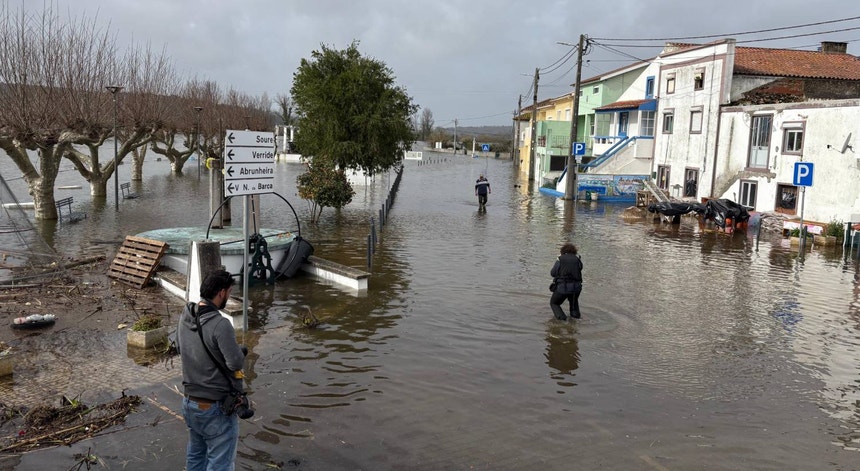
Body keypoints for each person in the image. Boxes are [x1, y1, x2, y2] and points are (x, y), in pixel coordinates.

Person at [178, 269, 246, 470]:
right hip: (215, 408)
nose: (229, 296)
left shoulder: (186, 315)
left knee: (196, 455)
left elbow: (181, 347)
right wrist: (240, 352)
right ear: (222, 292)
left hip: (190, 403)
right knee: (220, 463)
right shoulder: (220, 324)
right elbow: (235, 364)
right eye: (230, 292)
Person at [550, 243, 583, 321]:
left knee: (554, 303)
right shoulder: (578, 259)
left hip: (563, 287)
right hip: (577, 288)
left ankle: (562, 320)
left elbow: (553, 273)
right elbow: (580, 269)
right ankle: (575, 323)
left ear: (563, 251)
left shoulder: (560, 259)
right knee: (574, 305)